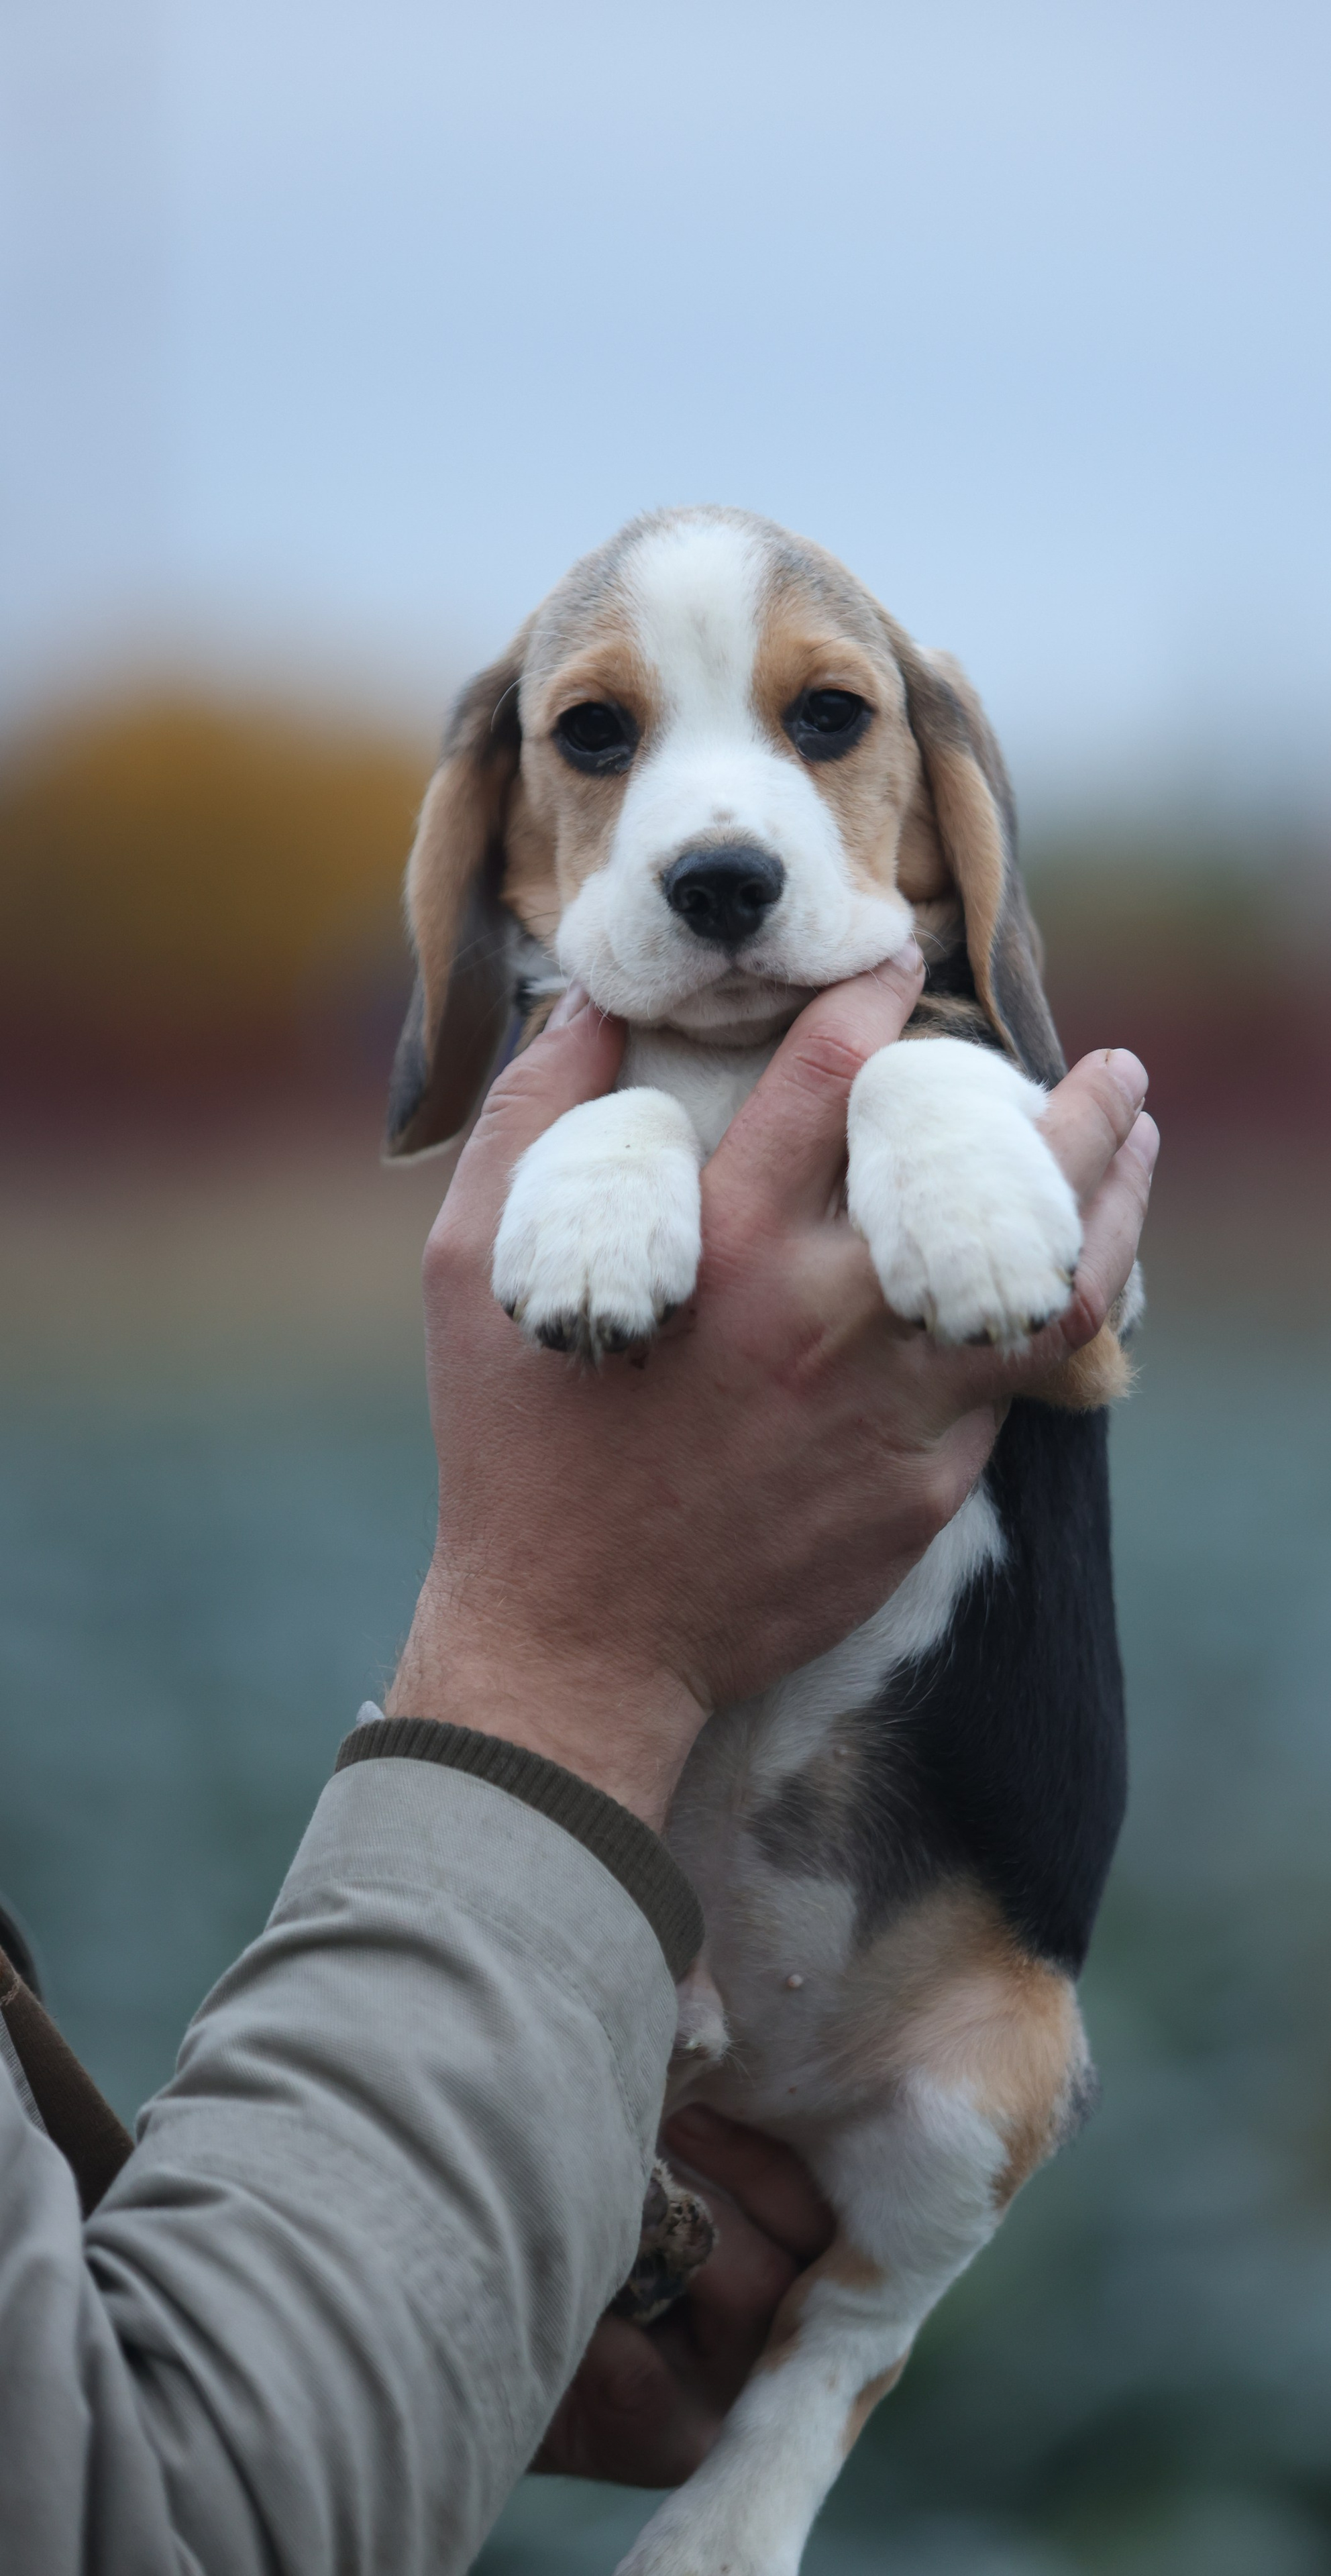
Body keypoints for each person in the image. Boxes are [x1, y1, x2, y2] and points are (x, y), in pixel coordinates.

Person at [0, 943, 1157, 2575]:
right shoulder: (604, 1074)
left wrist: (427, 2306)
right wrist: (571, 1668)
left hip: (897, 2010)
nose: (720, 826)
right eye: (605, 737)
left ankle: (813, 2395)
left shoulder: (935, 1052)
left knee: (974, 2105)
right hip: (607, 1974)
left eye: (823, 719)